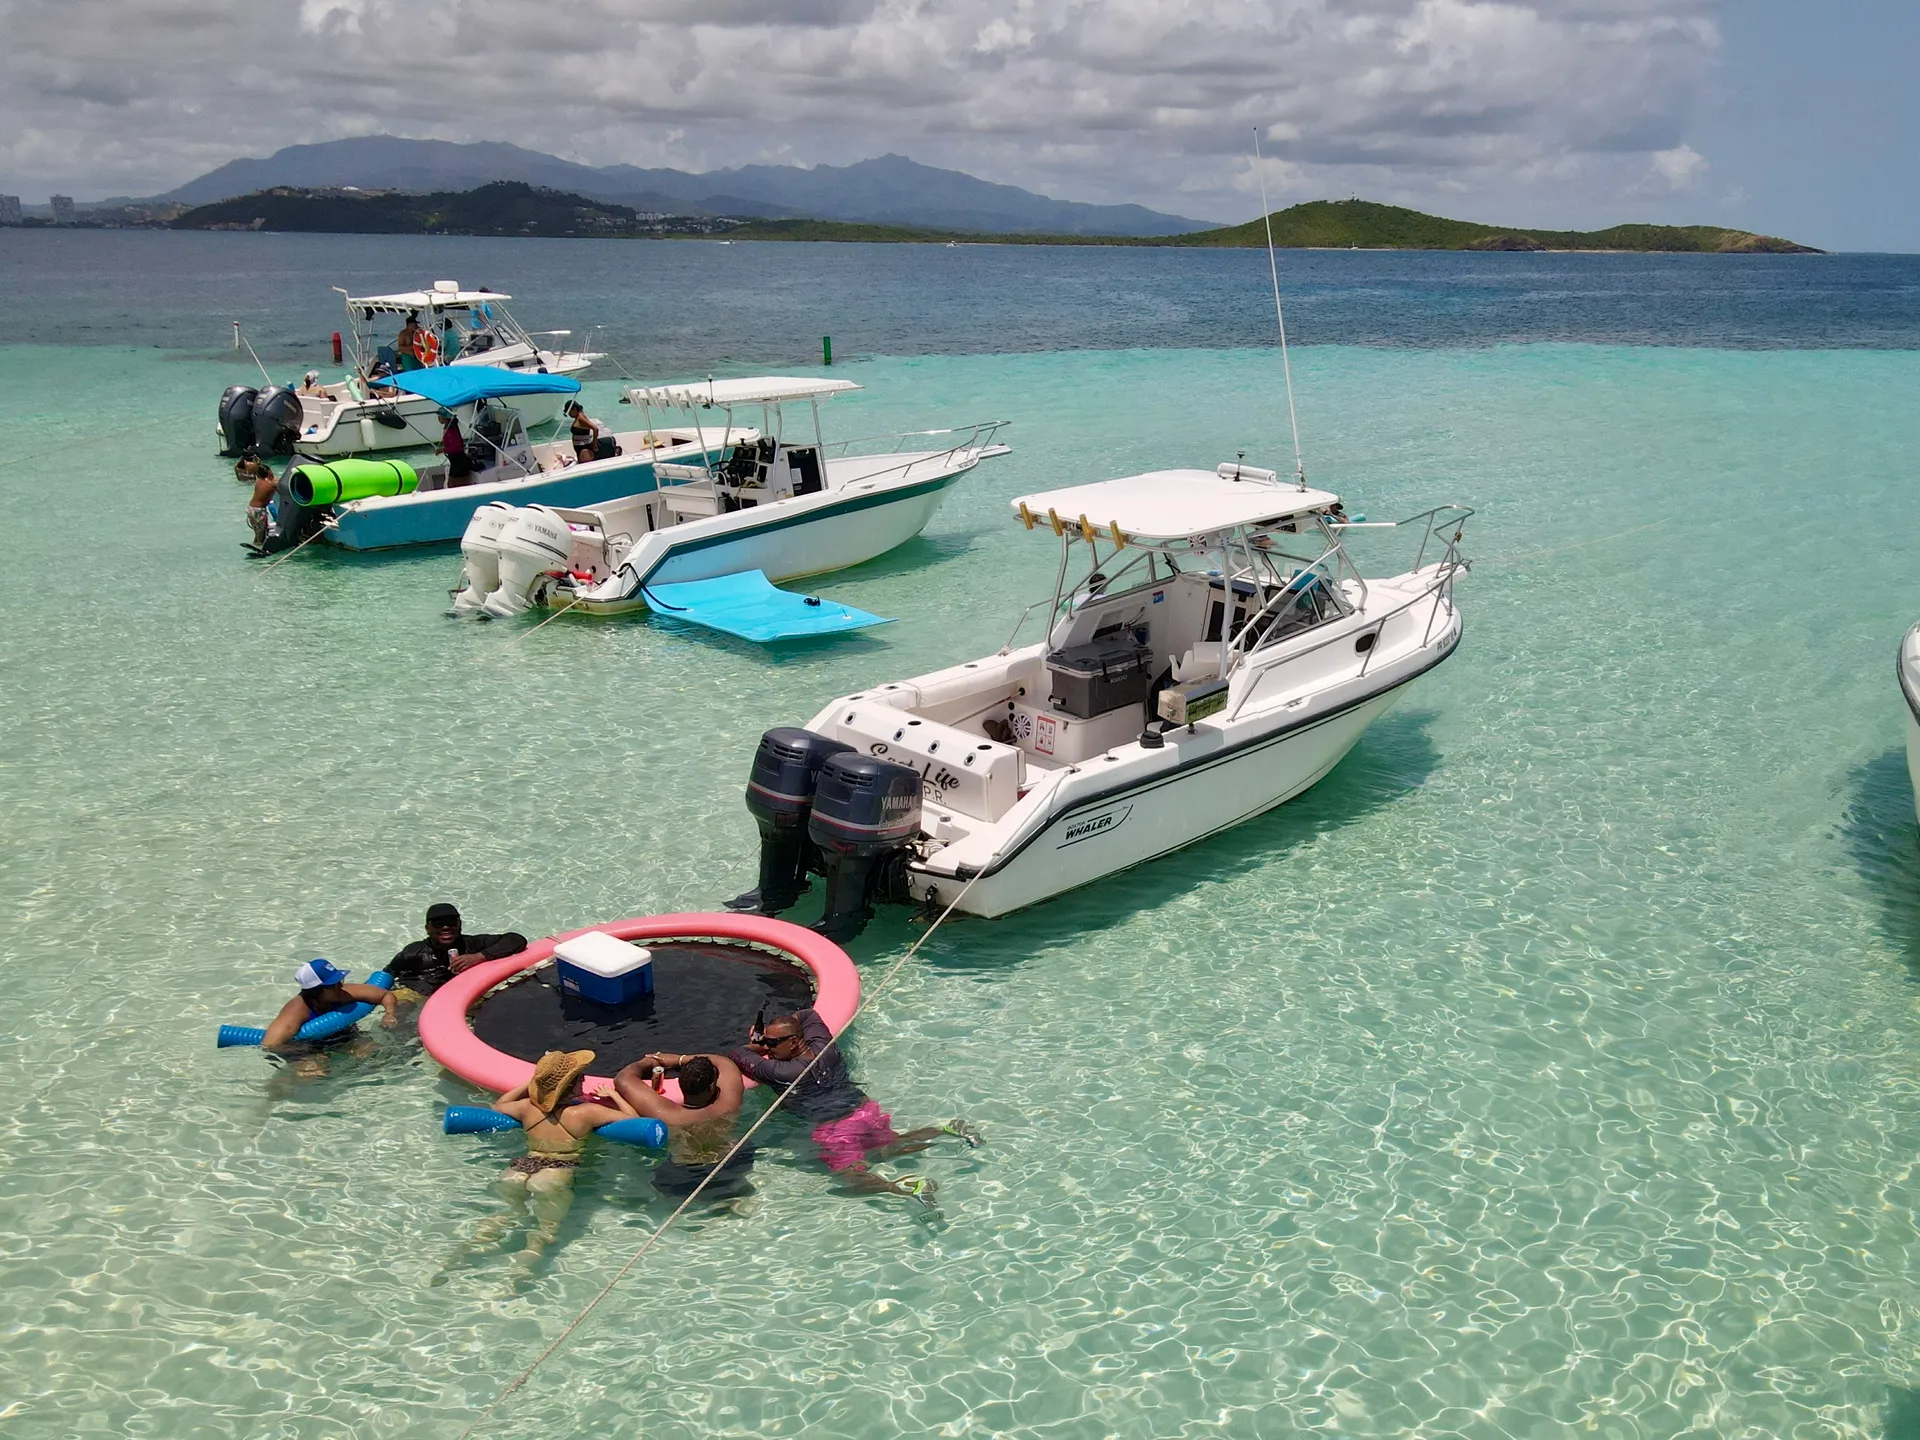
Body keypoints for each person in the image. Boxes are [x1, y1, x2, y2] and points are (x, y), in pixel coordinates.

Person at [729, 1009, 980, 1206]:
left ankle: (901, 1187)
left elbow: (737, 1054)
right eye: (768, 1043)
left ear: (794, 1041)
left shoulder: (782, 1071)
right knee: (890, 1146)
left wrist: (756, 1045)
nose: (769, 1048)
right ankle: (946, 1129)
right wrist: (779, 1033)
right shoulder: (823, 1045)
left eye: (774, 1043)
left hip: (836, 1129)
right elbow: (808, 1014)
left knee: (850, 1177)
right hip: (864, 1109)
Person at [466, 1049, 641, 1279]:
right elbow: (636, 1121)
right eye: (581, 1077)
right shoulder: (586, 1112)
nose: (585, 1080)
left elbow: (499, 1106)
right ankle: (510, 1284)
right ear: (574, 1085)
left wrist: (530, 1085)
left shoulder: (528, 1107)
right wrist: (614, 1095)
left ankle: (461, 1256)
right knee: (542, 1234)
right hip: (555, 1173)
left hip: (521, 1167)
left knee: (508, 1213)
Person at [614, 1051, 753, 1196]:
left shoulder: (668, 1115)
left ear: (679, 1084)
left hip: (686, 1173)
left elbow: (623, 1079)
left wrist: (648, 1062)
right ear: (712, 1086)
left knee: (661, 1186)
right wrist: (678, 1059)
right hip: (733, 1161)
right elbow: (724, 1062)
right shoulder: (728, 1103)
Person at [260, 959, 397, 1075]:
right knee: (314, 1073)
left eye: (339, 980)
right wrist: (305, 1055)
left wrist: (389, 1014)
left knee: (378, 1054)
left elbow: (385, 995)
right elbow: (270, 1045)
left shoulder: (342, 993)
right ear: (316, 990)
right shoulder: (297, 1010)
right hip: (310, 1046)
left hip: (346, 1036)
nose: (339, 985)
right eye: (333, 984)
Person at [387, 903, 527, 1001]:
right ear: (427, 929)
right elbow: (387, 975)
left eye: (451, 922)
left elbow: (516, 939)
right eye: (438, 924)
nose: (446, 927)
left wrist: (479, 957)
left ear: (460, 925)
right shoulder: (413, 953)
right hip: (417, 994)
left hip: (458, 998)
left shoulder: (472, 944)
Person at [437, 409, 472, 487]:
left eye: (439, 416)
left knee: (457, 486)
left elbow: (456, 447)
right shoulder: (449, 428)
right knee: (451, 484)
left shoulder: (451, 429)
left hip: (459, 462)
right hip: (455, 462)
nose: (438, 418)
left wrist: (442, 450)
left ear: (444, 417)